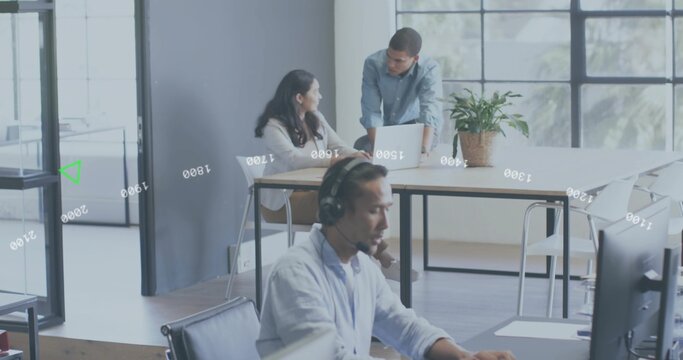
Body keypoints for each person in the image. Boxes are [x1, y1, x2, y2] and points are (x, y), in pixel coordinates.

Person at [256, 157, 516, 360]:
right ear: (334, 210)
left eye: (387, 210)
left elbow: (405, 327)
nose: (385, 224)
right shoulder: (296, 275)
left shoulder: (363, 268)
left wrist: (464, 355)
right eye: (374, 211)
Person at [255, 69, 416, 282]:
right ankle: (375, 262)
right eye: (316, 91)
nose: (320, 96)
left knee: (351, 201)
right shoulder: (274, 126)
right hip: (281, 203)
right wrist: (331, 160)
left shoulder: (315, 119)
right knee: (342, 205)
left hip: (311, 192)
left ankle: (368, 264)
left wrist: (356, 154)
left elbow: (338, 145)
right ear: (299, 97)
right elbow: (293, 158)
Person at [356, 27, 443, 156]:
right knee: (361, 146)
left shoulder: (429, 68)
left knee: (416, 151)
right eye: (389, 56)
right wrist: (379, 149)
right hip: (388, 127)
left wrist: (423, 149)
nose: (390, 64)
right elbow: (371, 110)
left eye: (398, 61)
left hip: (418, 127)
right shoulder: (372, 63)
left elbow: (430, 109)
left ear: (415, 58)